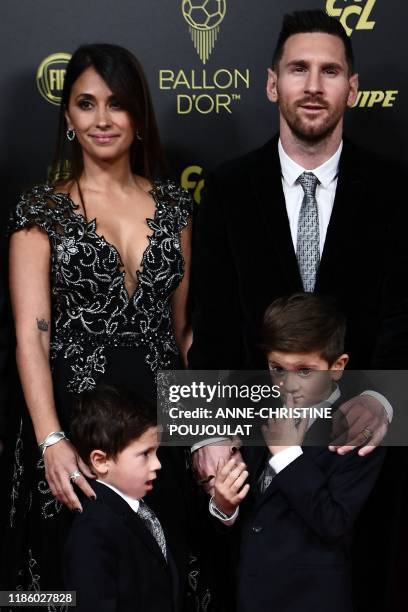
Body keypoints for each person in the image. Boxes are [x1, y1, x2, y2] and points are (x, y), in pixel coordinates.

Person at [189, 10, 408, 609]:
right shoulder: (227, 188)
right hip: (253, 460)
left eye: (330, 71)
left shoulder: (396, 191)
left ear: (352, 88)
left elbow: (402, 321)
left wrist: (384, 399)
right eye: (298, 69)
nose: (313, 85)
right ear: (271, 83)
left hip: (360, 464)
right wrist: (205, 433)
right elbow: (207, 325)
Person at [4, 43, 195, 607]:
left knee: (165, 579)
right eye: (86, 104)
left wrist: (203, 429)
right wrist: (51, 439)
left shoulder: (177, 207)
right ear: (68, 117)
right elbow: (30, 338)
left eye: (117, 104)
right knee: (78, 584)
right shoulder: (40, 211)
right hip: (76, 429)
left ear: (139, 116)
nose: (103, 119)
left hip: (162, 433)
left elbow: (182, 333)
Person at [212, 293, 386, 612]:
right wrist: (223, 505)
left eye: (304, 370)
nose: (288, 384)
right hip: (252, 594)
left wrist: (287, 455)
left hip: (312, 598)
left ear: (337, 367)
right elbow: (251, 512)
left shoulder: (358, 431)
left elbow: (334, 522)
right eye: (277, 368)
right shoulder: (256, 412)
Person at [64, 385, 177, 612]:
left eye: (156, 452)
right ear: (101, 461)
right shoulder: (93, 529)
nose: (157, 464)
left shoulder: (142, 508)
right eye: (145, 454)